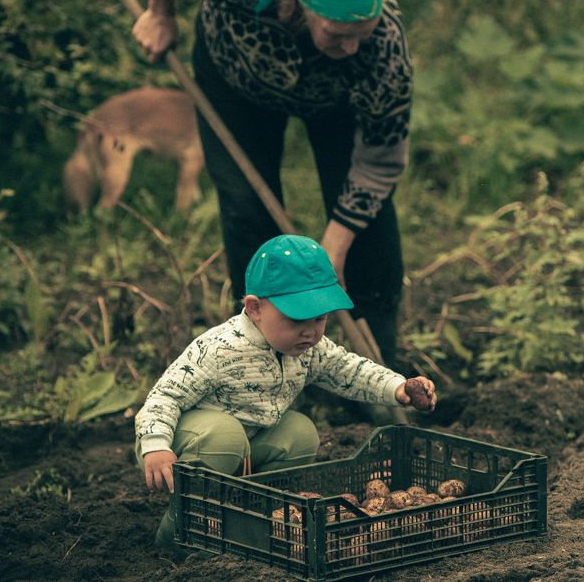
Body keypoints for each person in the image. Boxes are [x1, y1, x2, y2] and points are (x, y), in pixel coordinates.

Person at [132, 0, 411, 371]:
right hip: (234, 80)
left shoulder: (382, 49)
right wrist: (160, 11)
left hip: (333, 101)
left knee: (367, 227)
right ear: (302, 4)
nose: (354, 46)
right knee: (247, 208)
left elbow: (380, 162)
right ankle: (265, 367)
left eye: (363, 34)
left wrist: (333, 248)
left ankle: (377, 367)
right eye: (339, 35)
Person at [134, 234, 436, 552]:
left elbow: (348, 369)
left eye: (319, 319)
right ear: (255, 309)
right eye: (296, 319)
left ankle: (248, 512)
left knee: (300, 433)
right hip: (180, 448)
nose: (310, 331)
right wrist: (156, 446)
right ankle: (179, 535)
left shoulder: (307, 347)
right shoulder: (220, 349)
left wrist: (397, 387)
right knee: (226, 436)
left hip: (245, 446)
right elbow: (164, 396)